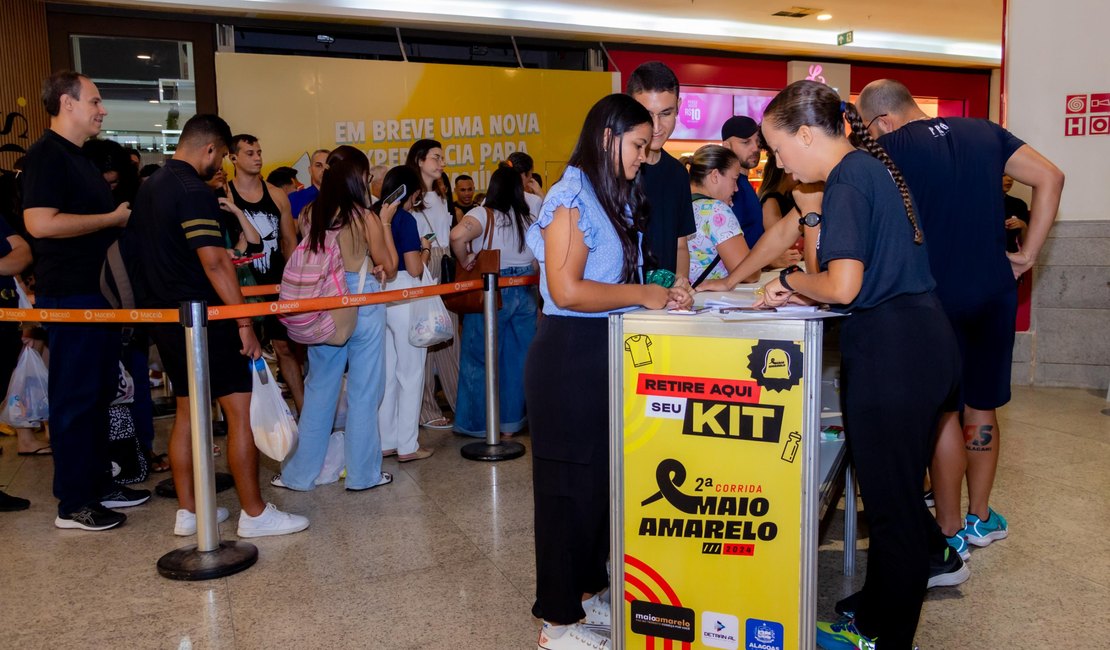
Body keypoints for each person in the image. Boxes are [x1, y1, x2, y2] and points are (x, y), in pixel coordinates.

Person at [750, 79, 966, 650]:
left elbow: (843, 287)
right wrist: (807, 282)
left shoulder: (847, 180)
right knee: (896, 494)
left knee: (891, 508)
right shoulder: (870, 171)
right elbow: (855, 275)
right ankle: (880, 601)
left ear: (804, 133)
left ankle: (882, 634)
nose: (780, 162)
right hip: (925, 339)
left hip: (894, 353)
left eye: (779, 148)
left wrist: (789, 281)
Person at [858, 79, 1064, 560]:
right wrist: (1028, 254)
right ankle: (980, 517)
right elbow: (1052, 177)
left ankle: (948, 528)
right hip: (994, 290)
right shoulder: (985, 131)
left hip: (933, 298)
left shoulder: (886, 150)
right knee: (982, 404)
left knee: (943, 411)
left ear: (881, 120)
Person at [525, 93, 691, 650]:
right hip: (569, 354)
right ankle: (557, 621)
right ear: (607, 137)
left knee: (598, 485)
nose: (646, 155)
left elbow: (621, 281)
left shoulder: (609, 197)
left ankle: (588, 591)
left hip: (604, 353)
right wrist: (644, 293)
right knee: (565, 491)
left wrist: (663, 289)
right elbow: (568, 289)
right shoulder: (569, 195)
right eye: (639, 145)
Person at [129, 113, 308, 538]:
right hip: (207, 317)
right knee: (237, 411)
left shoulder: (149, 187)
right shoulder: (193, 190)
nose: (221, 166)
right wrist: (243, 320)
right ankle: (255, 513)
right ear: (209, 148)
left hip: (167, 317)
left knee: (189, 413)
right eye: (223, 156)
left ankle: (190, 512)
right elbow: (215, 261)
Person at [22, 70, 149, 531]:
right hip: (70, 294)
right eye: (95, 100)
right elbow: (39, 224)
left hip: (96, 293)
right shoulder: (45, 156)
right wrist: (110, 218)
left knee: (96, 395)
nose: (103, 109)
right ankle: (73, 502)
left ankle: (97, 484)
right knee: (74, 398)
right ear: (66, 103)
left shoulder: (79, 158)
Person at [272, 146, 398, 491]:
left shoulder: (310, 213)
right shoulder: (364, 216)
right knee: (363, 393)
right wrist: (385, 222)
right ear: (359, 177)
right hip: (365, 304)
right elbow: (389, 264)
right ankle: (362, 475)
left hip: (323, 308)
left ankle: (299, 475)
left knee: (319, 393)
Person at [449, 166, 537, 438]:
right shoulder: (528, 214)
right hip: (525, 290)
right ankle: (510, 423)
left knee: (479, 358)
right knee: (517, 359)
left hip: (492, 289)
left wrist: (465, 260)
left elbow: (456, 236)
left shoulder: (482, 213)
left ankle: (478, 425)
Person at [226, 134, 304, 414]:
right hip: (238, 287)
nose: (257, 157)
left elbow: (289, 242)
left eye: (259, 151)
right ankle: (245, 417)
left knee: (285, 348)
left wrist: (295, 283)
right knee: (239, 351)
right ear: (233, 158)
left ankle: (305, 412)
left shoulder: (276, 194)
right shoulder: (225, 194)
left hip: (275, 284)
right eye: (249, 153)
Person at [376, 165, 435, 462]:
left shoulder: (375, 215)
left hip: (379, 294)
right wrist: (425, 250)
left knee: (387, 373)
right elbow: (413, 267)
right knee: (411, 372)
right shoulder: (407, 220)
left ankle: (386, 440)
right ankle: (408, 445)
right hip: (407, 295)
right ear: (410, 192)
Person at [625, 62, 696, 291]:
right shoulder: (615, 172)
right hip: (619, 306)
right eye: (646, 115)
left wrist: (681, 284)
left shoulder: (677, 173)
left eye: (666, 113)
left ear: (678, 107)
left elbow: (680, 245)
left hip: (663, 309)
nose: (656, 127)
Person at [406, 139, 460, 430]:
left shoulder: (439, 194)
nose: (441, 163)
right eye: (435, 157)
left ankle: (459, 404)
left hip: (444, 263)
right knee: (426, 335)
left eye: (441, 157)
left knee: (449, 336)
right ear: (419, 160)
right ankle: (425, 409)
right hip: (425, 265)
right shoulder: (411, 198)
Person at [684, 144, 760, 286]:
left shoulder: (678, 204)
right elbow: (749, 274)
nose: (736, 189)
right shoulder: (716, 210)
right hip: (709, 301)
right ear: (715, 176)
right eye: (734, 179)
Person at [289, 149, 330, 220]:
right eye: (318, 165)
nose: (324, 170)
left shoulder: (344, 199)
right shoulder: (294, 199)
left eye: (328, 166)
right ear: (310, 170)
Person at [1002, 175, 1030, 254]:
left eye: (1012, 176)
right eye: (1003, 175)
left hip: (1012, 255)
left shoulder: (1019, 204)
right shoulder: (979, 204)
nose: (1009, 179)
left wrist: (1023, 225)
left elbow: (1025, 243)